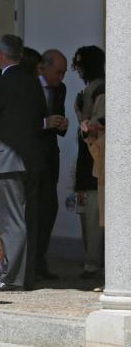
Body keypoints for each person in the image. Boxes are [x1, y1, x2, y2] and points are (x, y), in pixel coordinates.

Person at [0, 35, 48, 292]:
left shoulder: (0, 83)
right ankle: (27, 275)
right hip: (33, 159)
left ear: (0, 56)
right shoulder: (34, 82)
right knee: (30, 218)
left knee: (12, 220)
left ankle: (11, 277)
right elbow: (41, 116)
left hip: (7, 159)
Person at [34, 50, 69, 280]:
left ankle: (40, 260)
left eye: (64, 72)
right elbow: (20, 121)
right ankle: (29, 263)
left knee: (49, 209)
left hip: (49, 156)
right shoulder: (29, 86)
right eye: (58, 72)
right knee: (32, 210)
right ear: (42, 68)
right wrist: (45, 123)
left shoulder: (60, 89)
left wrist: (62, 124)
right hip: (31, 154)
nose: (61, 77)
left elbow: (60, 118)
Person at [72, 46, 105, 283]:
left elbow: (99, 124)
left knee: (93, 214)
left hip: (97, 158)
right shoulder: (91, 88)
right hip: (88, 158)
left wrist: (86, 125)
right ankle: (91, 260)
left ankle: (93, 262)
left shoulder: (100, 88)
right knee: (87, 212)